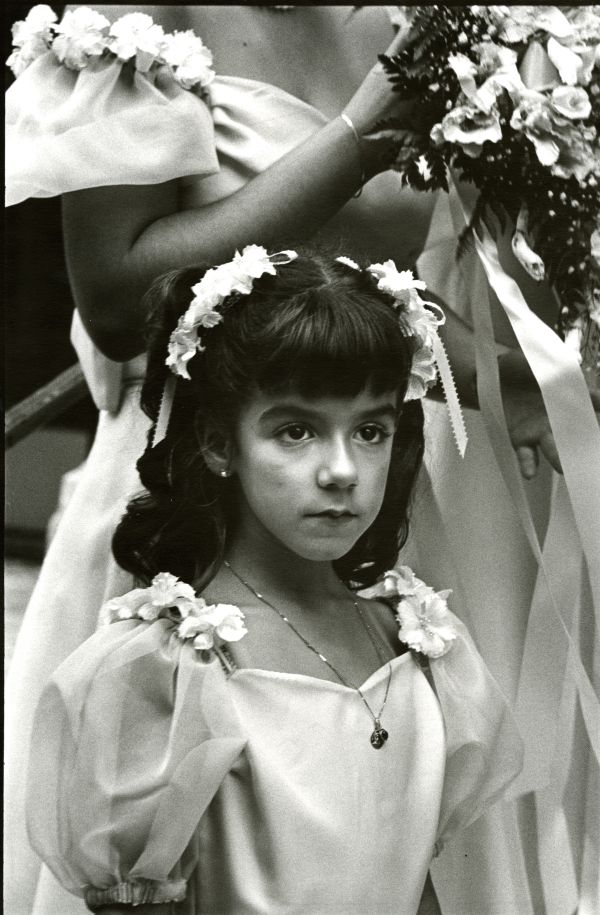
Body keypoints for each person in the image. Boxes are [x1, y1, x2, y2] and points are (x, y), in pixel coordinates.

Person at [4, 6, 562, 914]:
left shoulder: (434, 20)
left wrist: (514, 379)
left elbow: (368, 289)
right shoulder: (134, 19)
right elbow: (116, 302)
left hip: (373, 499)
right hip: (201, 489)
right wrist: (356, 139)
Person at [26, 246, 524, 915]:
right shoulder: (171, 668)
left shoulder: (421, 642)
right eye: (296, 431)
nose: (342, 470)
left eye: (370, 430)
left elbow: (420, 887)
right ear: (218, 443)